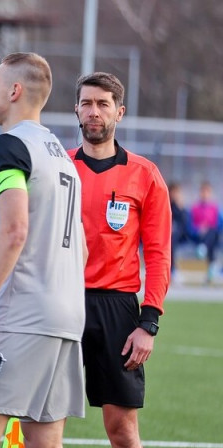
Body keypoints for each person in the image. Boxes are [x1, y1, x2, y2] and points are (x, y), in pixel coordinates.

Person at [0, 52, 87, 448]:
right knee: (44, 437)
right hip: (67, 314)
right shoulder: (63, 155)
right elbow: (81, 246)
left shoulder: (8, 147)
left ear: (14, 91)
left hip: (24, 311)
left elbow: (14, 231)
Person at [68, 72, 171, 448]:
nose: (94, 112)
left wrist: (149, 322)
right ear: (75, 110)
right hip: (63, 302)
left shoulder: (145, 175)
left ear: (119, 112)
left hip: (118, 309)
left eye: (103, 104)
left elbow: (159, 254)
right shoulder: (58, 169)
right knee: (42, 421)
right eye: (87, 103)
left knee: (122, 430)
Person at [190, 181, 220, 284]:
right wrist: (199, 229)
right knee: (209, 238)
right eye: (203, 192)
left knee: (211, 233)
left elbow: (217, 224)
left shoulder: (214, 208)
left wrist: (207, 228)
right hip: (198, 236)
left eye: (207, 192)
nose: (205, 194)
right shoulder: (195, 208)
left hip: (212, 234)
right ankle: (211, 267)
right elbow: (190, 225)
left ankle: (203, 248)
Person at [168, 182, 190, 278]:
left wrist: (180, 207)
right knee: (170, 240)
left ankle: (173, 270)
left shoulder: (181, 207)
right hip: (169, 233)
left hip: (181, 234)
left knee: (172, 240)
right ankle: (171, 269)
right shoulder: (167, 204)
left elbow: (185, 222)